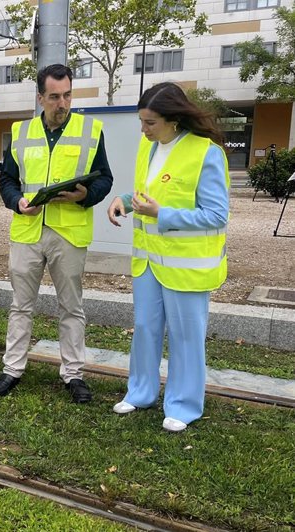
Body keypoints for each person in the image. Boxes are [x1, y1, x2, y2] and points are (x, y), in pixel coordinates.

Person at [107, 82, 229, 432]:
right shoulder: (148, 149)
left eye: (150, 123)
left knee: (185, 336)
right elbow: (149, 194)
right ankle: (141, 392)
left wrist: (164, 214)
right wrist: (126, 201)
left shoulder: (206, 153)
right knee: (145, 329)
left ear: (174, 120)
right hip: (148, 262)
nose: (143, 130)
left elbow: (217, 215)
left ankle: (184, 405)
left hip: (186, 267)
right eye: (141, 122)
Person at [0, 63, 113, 402]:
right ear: (40, 97)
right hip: (28, 230)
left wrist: (86, 195)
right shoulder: (21, 132)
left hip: (69, 233)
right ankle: (12, 369)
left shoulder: (91, 130)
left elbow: (104, 178)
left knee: (71, 307)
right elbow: (8, 180)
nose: (63, 103)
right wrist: (17, 202)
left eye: (68, 95)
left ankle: (74, 374)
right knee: (20, 306)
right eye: (55, 97)